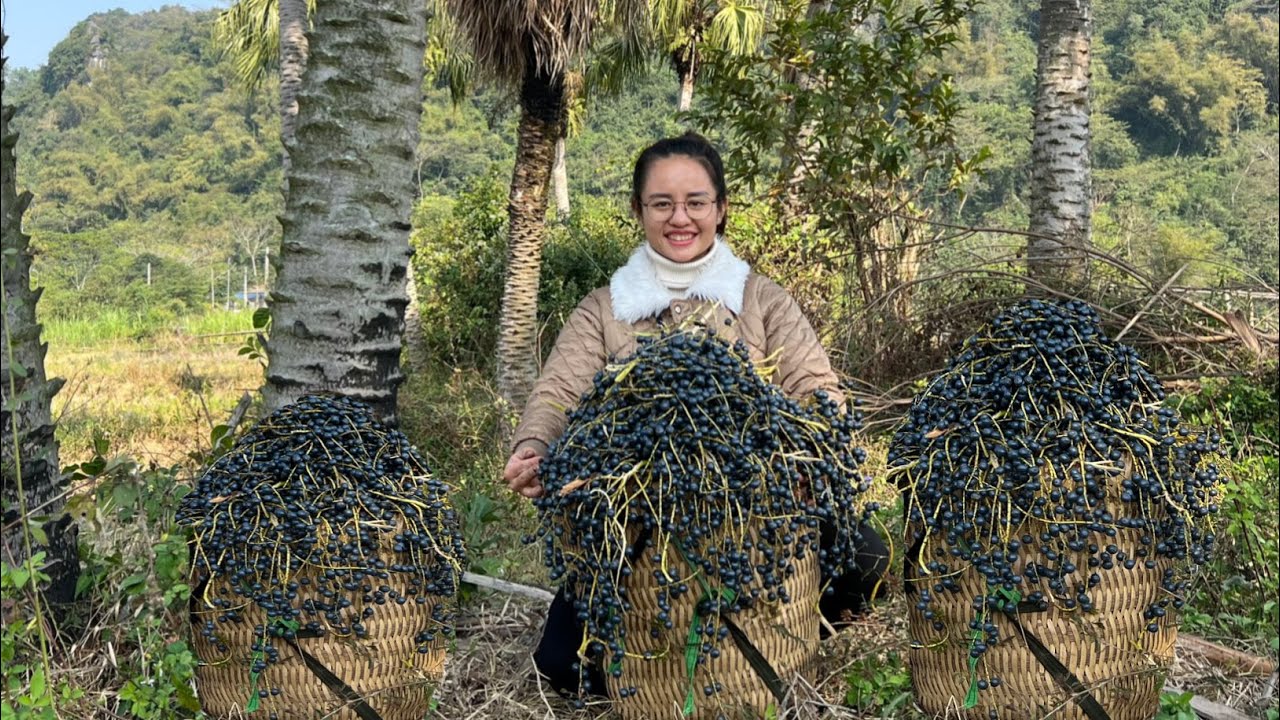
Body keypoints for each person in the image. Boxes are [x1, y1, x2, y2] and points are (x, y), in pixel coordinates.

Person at [502, 132, 888, 697]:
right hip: (640, 527)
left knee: (867, 557)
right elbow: (558, 392)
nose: (679, 218)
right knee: (561, 665)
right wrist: (535, 445)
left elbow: (815, 386)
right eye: (662, 204)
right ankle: (660, 659)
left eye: (696, 202)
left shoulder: (762, 300)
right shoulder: (604, 310)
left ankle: (781, 635)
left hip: (755, 516)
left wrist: (816, 447)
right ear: (638, 211)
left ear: (720, 208)